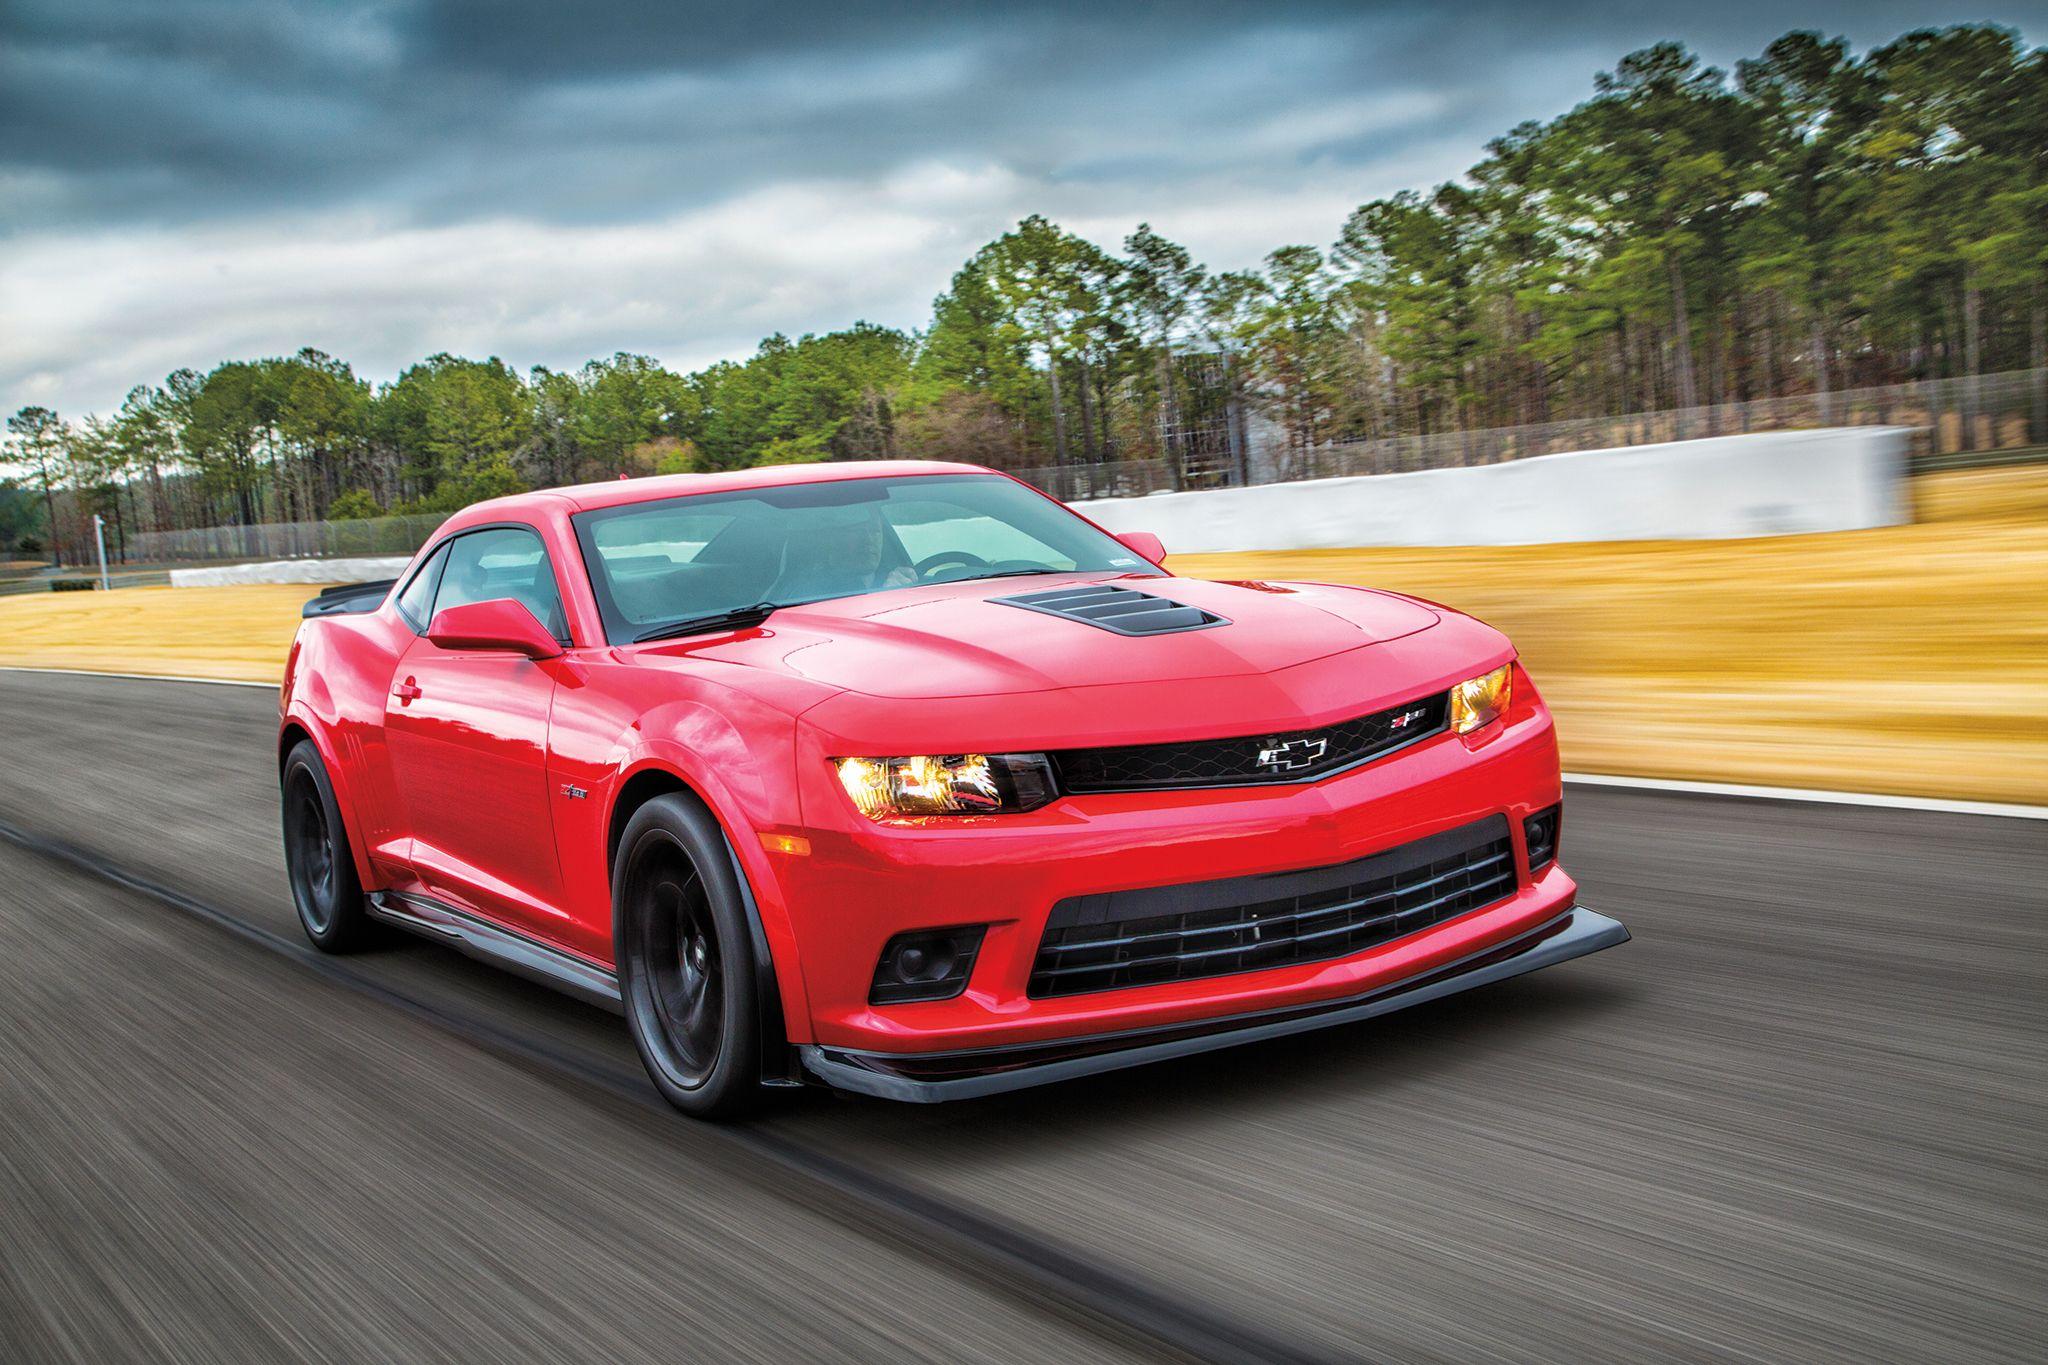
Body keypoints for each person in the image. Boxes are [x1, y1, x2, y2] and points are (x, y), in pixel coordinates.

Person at [772, 500, 915, 602]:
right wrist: (886, 599)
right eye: (857, 532)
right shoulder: (806, 592)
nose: (868, 539)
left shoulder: (897, 578)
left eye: (875, 531)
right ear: (833, 540)